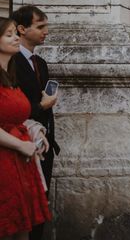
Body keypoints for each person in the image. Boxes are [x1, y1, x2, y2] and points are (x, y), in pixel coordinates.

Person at [0, 16, 51, 239]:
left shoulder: (11, 75)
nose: (15, 38)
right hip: (5, 158)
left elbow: (17, 116)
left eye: (15, 33)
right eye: (8, 34)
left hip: (20, 160)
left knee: (22, 228)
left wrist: (34, 129)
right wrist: (20, 145)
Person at [11, 6, 58, 240]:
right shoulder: (11, 62)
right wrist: (42, 106)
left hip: (44, 142)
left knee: (42, 200)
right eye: (40, 26)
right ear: (22, 28)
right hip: (21, 143)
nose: (46, 31)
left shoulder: (40, 62)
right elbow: (12, 106)